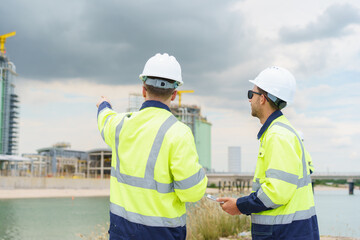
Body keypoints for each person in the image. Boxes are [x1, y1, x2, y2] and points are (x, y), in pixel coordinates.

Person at [96, 53, 208, 240]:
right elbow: (192, 192)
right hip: (162, 234)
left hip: (121, 232)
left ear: (143, 90)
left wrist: (103, 104)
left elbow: (104, 118)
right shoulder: (179, 133)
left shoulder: (119, 125)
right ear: (174, 94)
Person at [217, 67, 319, 240]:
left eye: (251, 94)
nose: (249, 100)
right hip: (291, 231)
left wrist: (240, 206)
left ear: (263, 99)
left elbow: (276, 192)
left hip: (285, 233)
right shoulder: (281, 131)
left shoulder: (277, 135)